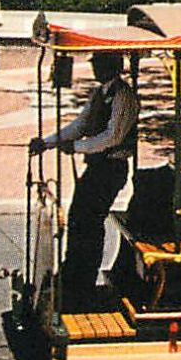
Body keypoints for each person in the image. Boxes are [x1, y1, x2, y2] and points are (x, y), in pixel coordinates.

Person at [28, 52, 139, 307]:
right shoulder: (100, 93)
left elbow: (113, 137)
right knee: (78, 217)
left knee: (89, 222)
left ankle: (83, 282)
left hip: (111, 169)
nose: (94, 69)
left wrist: (77, 147)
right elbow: (80, 124)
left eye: (98, 64)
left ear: (111, 65)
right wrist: (47, 142)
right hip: (98, 166)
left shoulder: (123, 96)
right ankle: (73, 275)